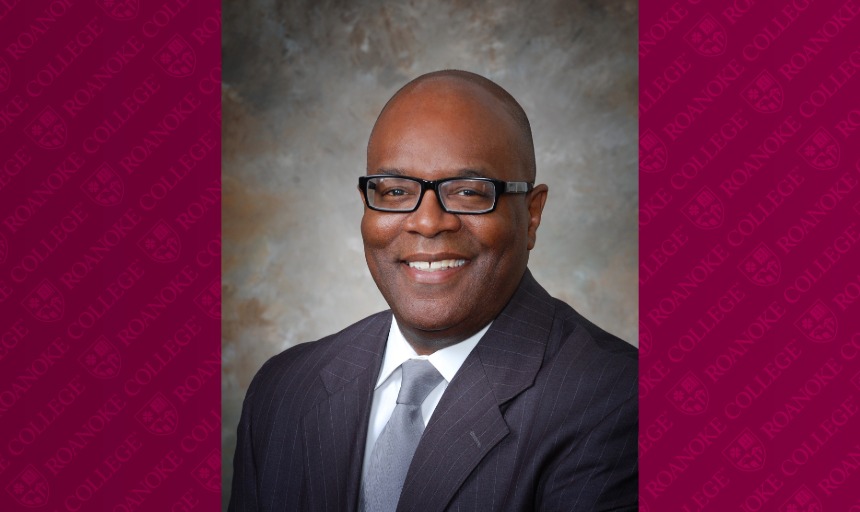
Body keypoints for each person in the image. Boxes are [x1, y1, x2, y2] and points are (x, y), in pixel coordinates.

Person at [229, 70, 638, 512]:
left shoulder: (616, 399)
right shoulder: (284, 388)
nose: (427, 222)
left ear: (532, 215)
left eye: (467, 191)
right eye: (395, 190)